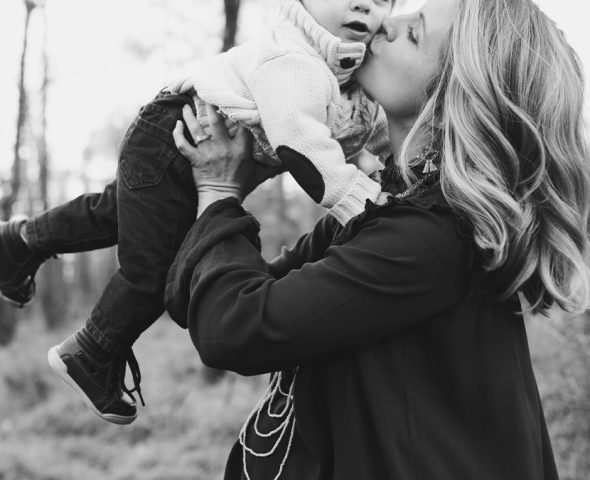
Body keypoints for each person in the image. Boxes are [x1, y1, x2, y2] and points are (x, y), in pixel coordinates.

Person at [165, 0, 590, 477]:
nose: (387, 21)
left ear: (454, 95)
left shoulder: (431, 235)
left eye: (414, 33)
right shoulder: (388, 208)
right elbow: (212, 300)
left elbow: (233, 329)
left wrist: (220, 192)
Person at [0, 0, 395, 425]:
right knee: (154, 267)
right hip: (176, 135)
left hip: (174, 139)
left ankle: (15, 242)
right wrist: (361, 201)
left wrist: (397, 164)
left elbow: (379, 131)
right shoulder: (294, 60)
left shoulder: (349, 80)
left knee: (111, 212)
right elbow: (302, 144)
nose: (363, 3)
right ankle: (92, 351)